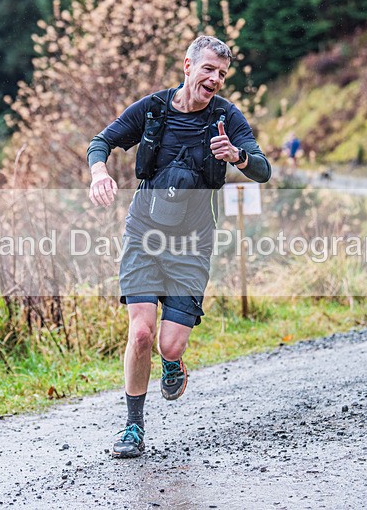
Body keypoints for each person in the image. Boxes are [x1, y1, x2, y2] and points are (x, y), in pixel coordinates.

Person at [86, 35, 271, 457]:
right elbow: (102, 142)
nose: (215, 79)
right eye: (208, 69)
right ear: (187, 66)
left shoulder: (227, 118)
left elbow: (263, 169)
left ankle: (173, 361)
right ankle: (133, 427)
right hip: (144, 234)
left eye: (222, 74)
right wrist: (100, 173)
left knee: (169, 343)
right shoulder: (153, 109)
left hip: (192, 244)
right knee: (140, 333)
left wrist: (237, 156)